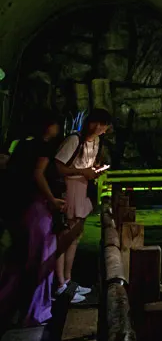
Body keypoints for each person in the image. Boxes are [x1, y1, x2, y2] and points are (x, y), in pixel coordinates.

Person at [0, 110, 65, 326]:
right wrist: (53, 200)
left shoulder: (20, 145)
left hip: (19, 208)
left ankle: (8, 307)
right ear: (48, 127)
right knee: (41, 259)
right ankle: (36, 311)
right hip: (38, 209)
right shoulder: (43, 147)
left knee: (18, 259)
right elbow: (38, 174)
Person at [53, 108, 112, 302]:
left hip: (83, 189)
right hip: (70, 189)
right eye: (102, 126)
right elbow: (59, 166)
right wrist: (83, 172)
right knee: (65, 234)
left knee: (75, 235)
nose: (103, 130)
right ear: (95, 124)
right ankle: (59, 284)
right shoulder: (74, 140)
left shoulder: (96, 141)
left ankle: (68, 280)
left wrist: (93, 170)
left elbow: (86, 165)